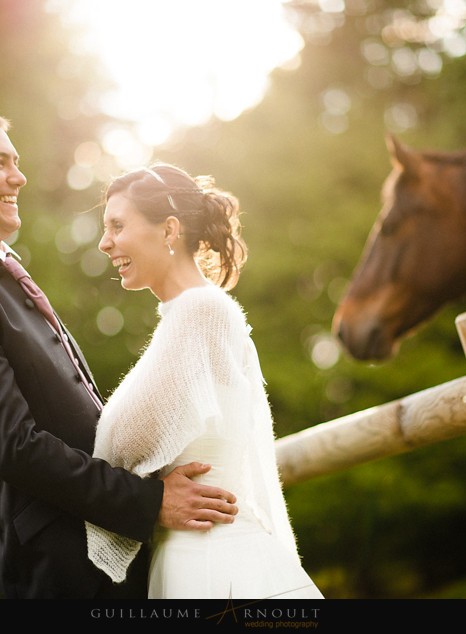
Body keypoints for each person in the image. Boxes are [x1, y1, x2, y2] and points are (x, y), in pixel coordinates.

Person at [0, 111, 238, 599]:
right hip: (62, 571)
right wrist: (148, 501)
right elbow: (15, 447)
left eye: (16, 162)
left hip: (109, 552)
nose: (19, 177)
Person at [88, 163, 324, 599]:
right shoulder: (194, 314)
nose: (105, 243)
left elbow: (121, 443)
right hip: (198, 552)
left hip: (214, 562)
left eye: (117, 225)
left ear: (169, 229)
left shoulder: (200, 314)